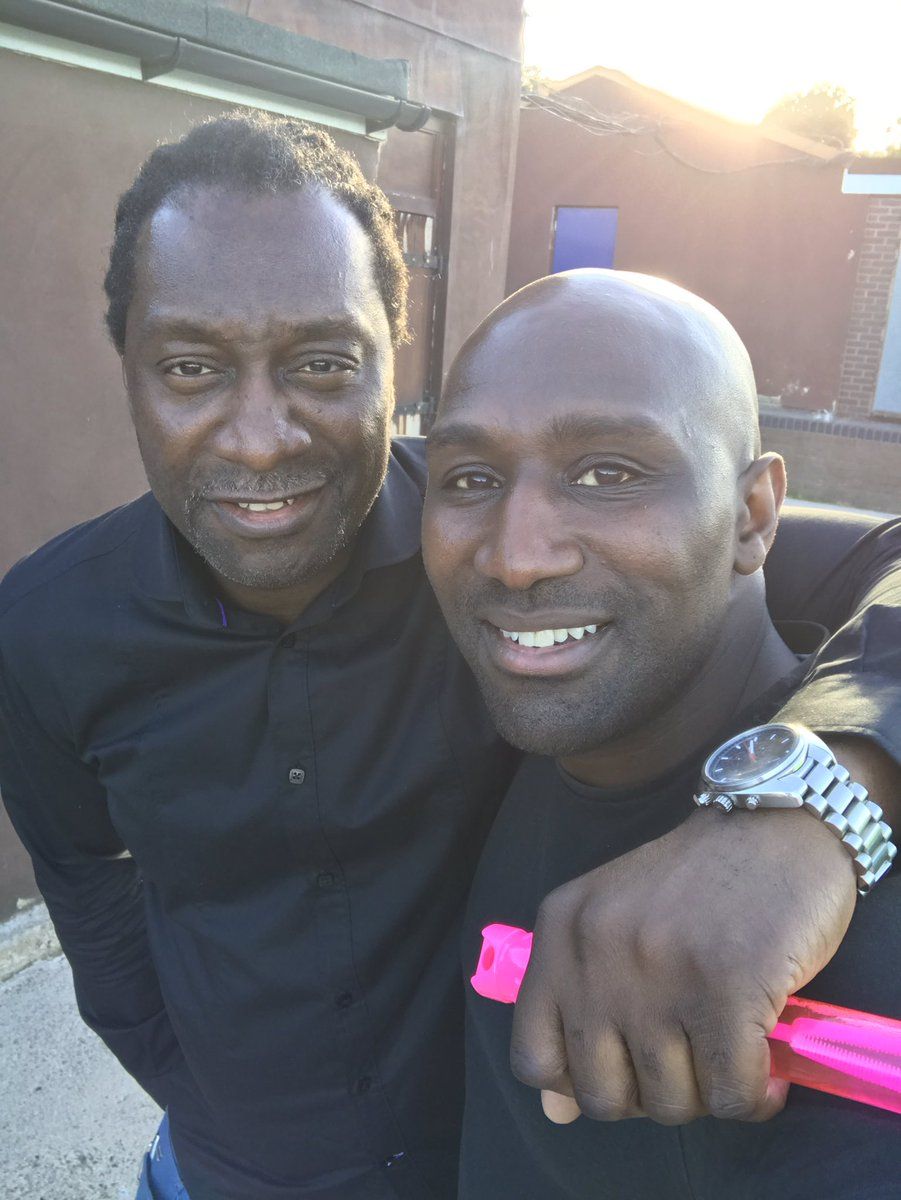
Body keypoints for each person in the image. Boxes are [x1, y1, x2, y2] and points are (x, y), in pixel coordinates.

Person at [0, 113, 899, 1200]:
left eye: (322, 364)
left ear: (394, 363)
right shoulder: (45, 630)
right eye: (190, 368)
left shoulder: (490, 532)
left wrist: (815, 802)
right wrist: (193, 1084)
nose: (259, 438)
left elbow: (871, 555)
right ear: (130, 373)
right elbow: (84, 881)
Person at [420, 269, 901, 1199]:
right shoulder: (487, 720)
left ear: (752, 516)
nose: (517, 558)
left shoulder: (847, 895)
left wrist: (811, 804)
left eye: (608, 474)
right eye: (471, 479)